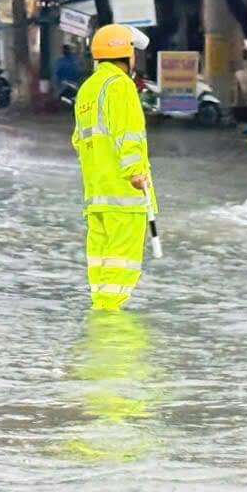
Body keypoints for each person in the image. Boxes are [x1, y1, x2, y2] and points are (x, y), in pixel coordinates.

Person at [71, 24, 154, 312]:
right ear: (128, 55)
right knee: (123, 261)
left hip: (96, 195)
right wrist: (136, 174)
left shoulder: (87, 90)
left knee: (100, 260)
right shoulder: (120, 85)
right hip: (124, 194)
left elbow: (79, 141)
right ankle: (111, 320)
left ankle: (101, 310)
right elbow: (128, 133)